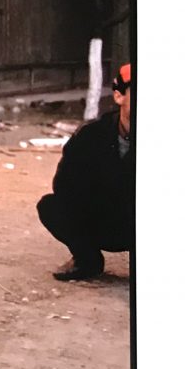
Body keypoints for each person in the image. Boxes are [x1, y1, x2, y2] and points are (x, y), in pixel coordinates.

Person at [37, 63, 134, 282]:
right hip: (102, 219)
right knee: (51, 206)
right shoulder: (91, 136)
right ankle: (87, 259)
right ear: (119, 97)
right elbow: (63, 186)